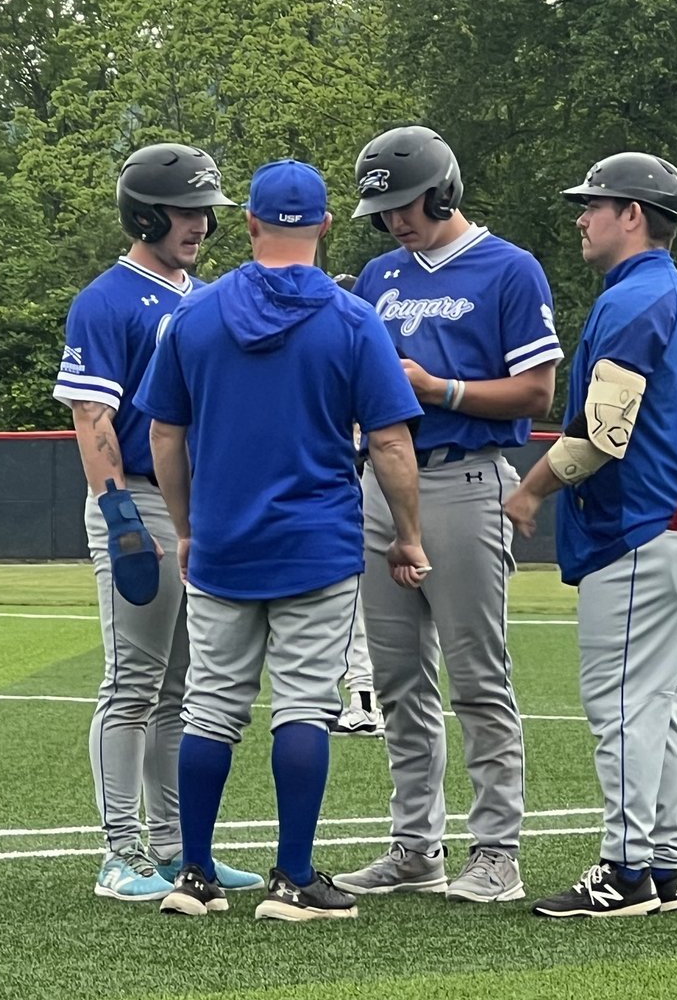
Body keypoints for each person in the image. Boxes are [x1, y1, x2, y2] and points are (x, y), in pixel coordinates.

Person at [132, 158, 429, 921]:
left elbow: (165, 434)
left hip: (225, 544)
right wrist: (408, 537)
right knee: (302, 706)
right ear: (327, 227)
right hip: (317, 542)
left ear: (252, 225)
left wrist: (190, 527)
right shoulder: (352, 317)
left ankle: (192, 877)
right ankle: (293, 880)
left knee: (210, 710)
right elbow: (392, 445)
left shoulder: (194, 316)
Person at [332, 125, 563, 903]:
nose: (396, 219)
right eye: (384, 209)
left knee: (476, 678)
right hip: (380, 484)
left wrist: (440, 390)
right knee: (397, 678)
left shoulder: (509, 266)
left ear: (443, 190)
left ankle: (497, 852)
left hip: (466, 478)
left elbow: (538, 393)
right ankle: (414, 847)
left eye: (406, 203)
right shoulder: (377, 275)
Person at [504, 151, 677, 919]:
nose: (581, 217)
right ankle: (663, 866)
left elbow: (601, 435)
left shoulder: (634, 301)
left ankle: (626, 871)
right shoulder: (669, 293)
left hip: (639, 529)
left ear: (633, 214)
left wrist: (529, 491)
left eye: (594, 205)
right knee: (662, 702)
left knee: (625, 705)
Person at [52, 143, 262, 901]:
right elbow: (91, 414)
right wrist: (118, 514)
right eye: (187, 210)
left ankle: (176, 848)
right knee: (132, 682)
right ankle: (120, 853)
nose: (202, 223)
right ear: (145, 213)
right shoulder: (106, 299)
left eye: (206, 211)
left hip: (196, 505)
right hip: (136, 497)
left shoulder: (202, 295)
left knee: (182, 684)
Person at [330, 273, 385, 740]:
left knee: (357, 604)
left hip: (358, 486)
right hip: (360, 482)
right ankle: (351, 697)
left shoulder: (355, 350)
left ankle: (365, 701)